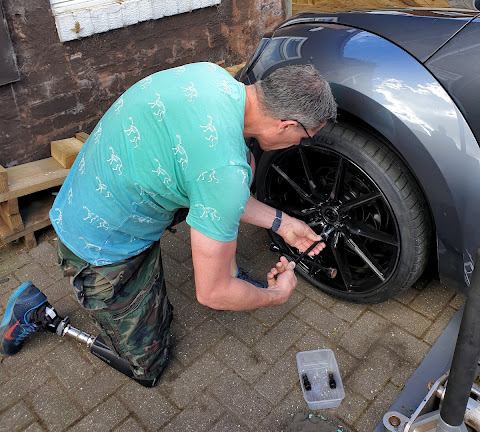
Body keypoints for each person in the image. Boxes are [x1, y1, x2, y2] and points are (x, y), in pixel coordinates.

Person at [0, 62, 337, 385]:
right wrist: (273, 296)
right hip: (99, 244)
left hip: (94, 189)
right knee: (148, 366)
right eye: (304, 136)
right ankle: (34, 312)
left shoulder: (213, 77)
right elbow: (212, 293)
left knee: (244, 162)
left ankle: (221, 261)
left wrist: (283, 223)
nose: (300, 143)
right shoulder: (223, 173)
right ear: (287, 124)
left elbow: (218, 186)